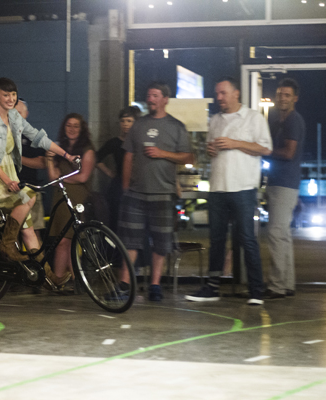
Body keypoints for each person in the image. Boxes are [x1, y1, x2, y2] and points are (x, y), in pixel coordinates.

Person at [0, 77, 77, 264]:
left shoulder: (14, 118)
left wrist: (67, 155)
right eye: (6, 95)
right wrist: (7, 180)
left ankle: (46, 275)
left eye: (13, 94)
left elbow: (38, 137)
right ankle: (7, 244)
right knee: (29, 197)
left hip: (8, 176)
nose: (11, 99)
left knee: (29, 231)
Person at [186, 76, 272, 305]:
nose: (219, 98)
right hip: (217, 188)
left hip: (243, 188)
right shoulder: (215, 120)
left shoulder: (253, 117)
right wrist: (210, 150)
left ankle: (256, 291)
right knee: (216, 239)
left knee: (247, 238)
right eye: (217, 93)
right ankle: (212, 287)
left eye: (223, 93)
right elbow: (211, 152)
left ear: (236, 93)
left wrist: (235, 143)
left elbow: (265, 148)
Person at [118, 82, 193, 302]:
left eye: (155, 95)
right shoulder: (138, 125)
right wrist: (125, 187)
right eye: (149, 95)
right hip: (136, 193)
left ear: (165, 99)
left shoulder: (176, 126)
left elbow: (188, 157)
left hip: (163, 193)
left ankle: (155, 285)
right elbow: (128, 156)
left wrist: (163, 153)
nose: (150, 99)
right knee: (130, 241)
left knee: (160, 242)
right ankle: (124, 285)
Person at [264, 78, 305, 299]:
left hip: (284, 183)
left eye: (287, 95)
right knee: (283, 235)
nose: (282, 98)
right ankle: (287, 284)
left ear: (295, 98)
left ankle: (277, 286)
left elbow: (289, 153)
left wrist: (265, 151)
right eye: (279, 94)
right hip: (280, 182)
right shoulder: (278, 121)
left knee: (276, 233)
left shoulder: (293, 121)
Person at [47, 113, 96, 288]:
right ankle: (69, 279)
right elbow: (52, 177)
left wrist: (62, 178)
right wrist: (49, 158)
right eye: (69, 125)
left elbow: (83, 177)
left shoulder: (87, 150)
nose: (72, 129)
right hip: (61, 198)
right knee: (63, 241)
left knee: (67, 241)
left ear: (82, 128)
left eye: (76, 126)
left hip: (77, 199)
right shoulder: (60, 149)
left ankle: (61, 279)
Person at [96, 106, 141, 231]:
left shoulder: (140, 142)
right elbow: (96, 158)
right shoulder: (115, 142)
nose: (125, 124)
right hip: (118, 186)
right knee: (116, 219)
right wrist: (109, 173)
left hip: (137, 185)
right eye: (123, 121)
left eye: (129, 121)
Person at [16, 99, 47, 239]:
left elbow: (42, 163)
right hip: (6, 191)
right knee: (8, 234)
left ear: (26, 114)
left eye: (18, 113)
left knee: (33, 232)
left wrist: (17, 158)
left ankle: (36, 255)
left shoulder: (34, 135)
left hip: (30, 189)